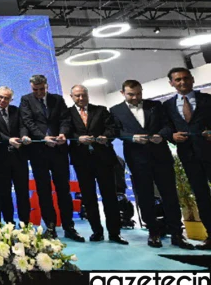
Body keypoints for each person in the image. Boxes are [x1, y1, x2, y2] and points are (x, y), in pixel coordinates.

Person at [110, 79, 193, 249]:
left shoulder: (155, 105)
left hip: (161, 156)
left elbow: (168, 126)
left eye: (138, 93)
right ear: (122, 93)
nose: (135, 97)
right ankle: (153, 233)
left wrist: (161, 135)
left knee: (170, 195)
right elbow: (116, 131)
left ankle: (177, 234)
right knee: (145, 197)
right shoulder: (115, 110)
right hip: (137, 159)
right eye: (131, 94)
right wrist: (132, 138)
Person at [19, 75, 84, 242]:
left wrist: (63, 133)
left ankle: (69, 227)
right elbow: (28, 122)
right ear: (31, 87)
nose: (39, 92)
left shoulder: (57, 99)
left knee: (63, 190)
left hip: (59, 150)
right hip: (38, 152)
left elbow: (65, 119)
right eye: (35, 89)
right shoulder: (26, 100)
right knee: (44, 191)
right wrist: (43, 137)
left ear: (46, 86)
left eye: (42, 89)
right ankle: (50, 227)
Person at [63, 85, 127, 245]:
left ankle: (115, 233)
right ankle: (96, 232)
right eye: (77, 96)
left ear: (87, 95)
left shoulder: (101, 110)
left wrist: (105, 137)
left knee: (110, 196)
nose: (81, 98)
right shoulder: (67, 114)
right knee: (88, 198)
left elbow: (112, 129)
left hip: (103, 159)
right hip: (82, 161)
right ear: (72, 97)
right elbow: (66, 132)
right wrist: (78, 139)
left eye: (83, 95)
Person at [160, 67, 211, 250]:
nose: (182, 82)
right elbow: (165, 127)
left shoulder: (207, 100)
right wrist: (171, 136)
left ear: (192, 79)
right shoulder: (167, 106)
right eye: (178, 79)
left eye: (185, 78)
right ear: (171, 83)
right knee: (202, 196)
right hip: (188, 156)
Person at [0, 87, 31, 225]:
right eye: (1, 97)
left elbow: (23, 126)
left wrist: (23, 136)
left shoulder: (16, 110)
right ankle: (9, 222)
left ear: (11, 99)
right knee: (4, 192)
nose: (3, 100)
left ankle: (25, 223)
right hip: (0, 158)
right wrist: (8, 140)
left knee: (23, 191)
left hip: (19, 157)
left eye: (7, 98)